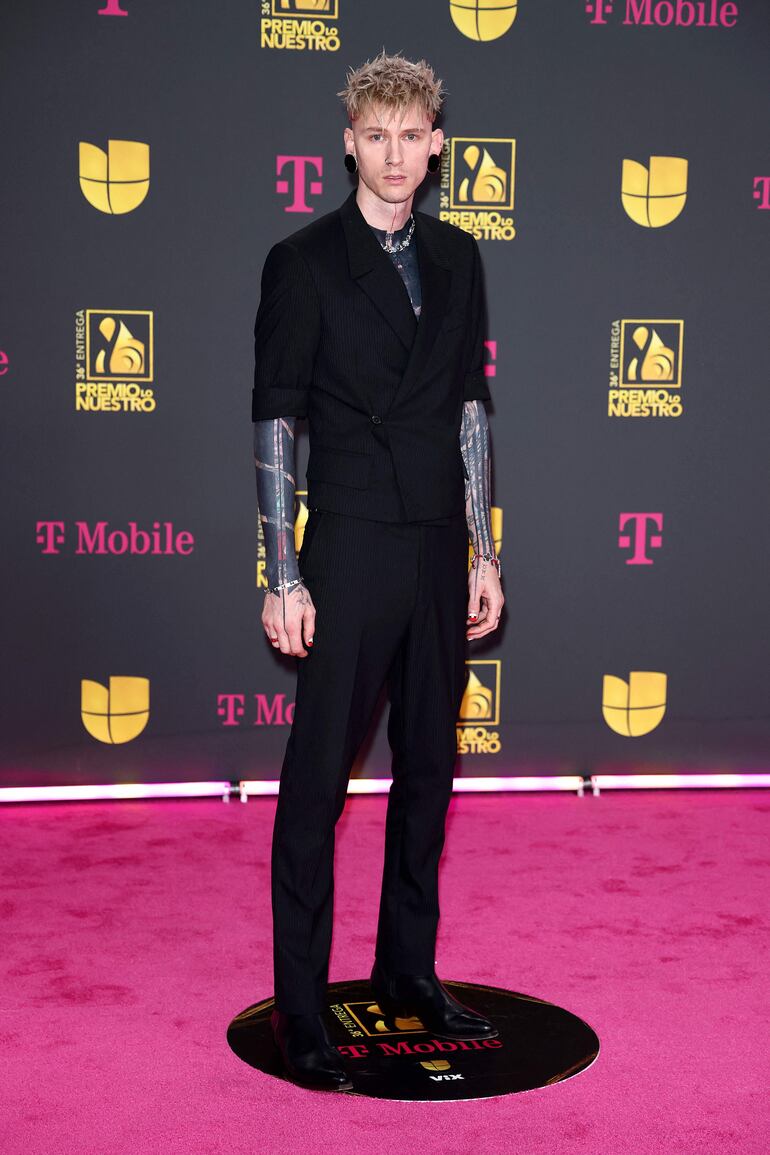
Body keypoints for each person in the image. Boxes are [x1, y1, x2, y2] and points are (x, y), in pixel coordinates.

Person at [252, 50, 504, 1092]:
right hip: (350, 544)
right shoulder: (303, 262)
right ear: (348, 143)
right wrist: (282, 573)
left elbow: (469, 408)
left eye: (411, 136)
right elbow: (276, 420)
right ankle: (301, 1008)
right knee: (318, 780)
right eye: (375, 136)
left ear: (436, 145)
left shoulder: (457, 256)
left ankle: (407, 970)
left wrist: (483, 548)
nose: (394, 155)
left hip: (437, 542)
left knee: (430, 772)